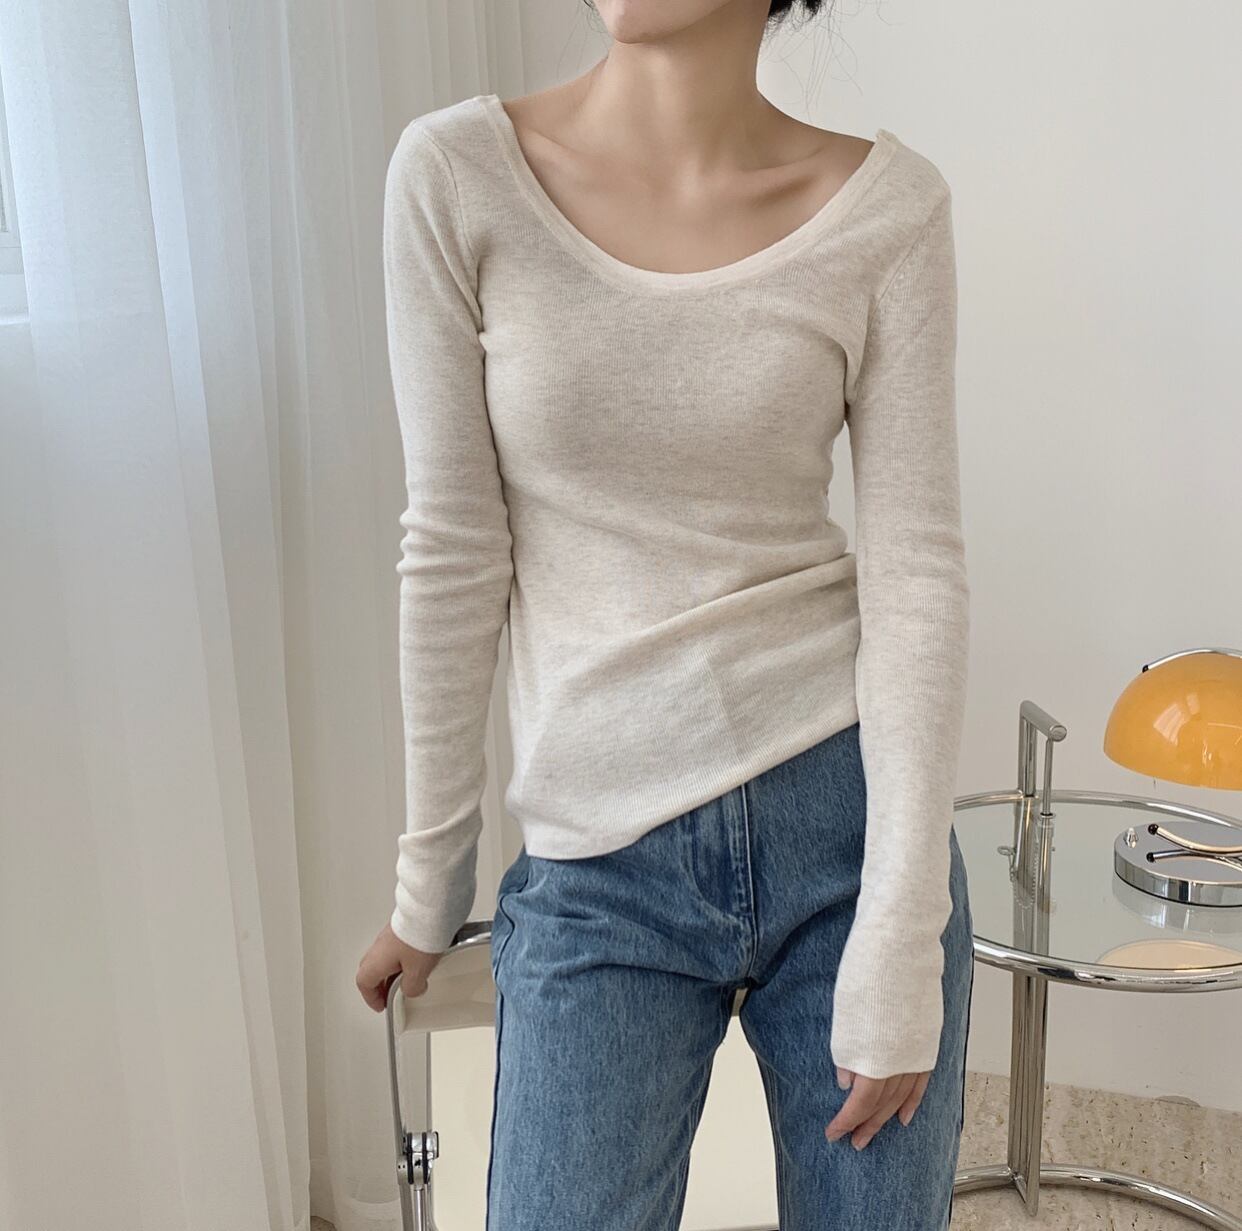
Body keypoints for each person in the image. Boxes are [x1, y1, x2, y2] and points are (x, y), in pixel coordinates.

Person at [356, 1, 975, 1227]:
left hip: (845, 820)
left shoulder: (891, 211)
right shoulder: (456, 175)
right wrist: (430, 883)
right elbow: (455, 550)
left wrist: (905, 930)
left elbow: (915, 572)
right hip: (600, 853)